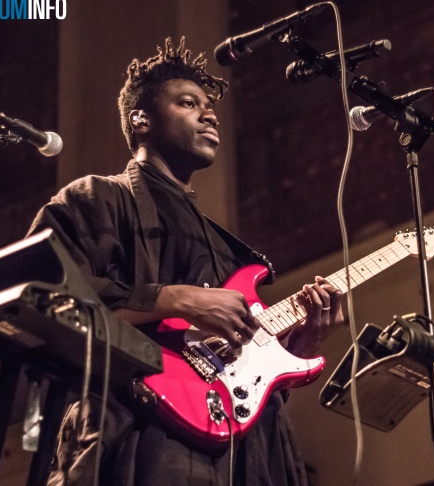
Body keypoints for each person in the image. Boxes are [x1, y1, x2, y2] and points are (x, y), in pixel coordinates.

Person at [29, 37, 345, 486]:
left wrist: (298, 348)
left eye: (209, 106)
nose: (210, 113)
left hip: (253, 454)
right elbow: (46, 299)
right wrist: (172, 299)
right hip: (144, 435)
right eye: (188, 103)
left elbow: (235, 376)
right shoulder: (96, 198)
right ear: (141, 119)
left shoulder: (226, 249)